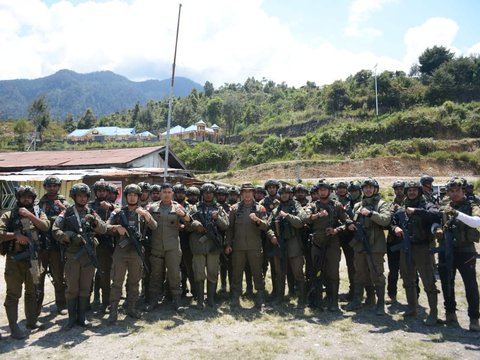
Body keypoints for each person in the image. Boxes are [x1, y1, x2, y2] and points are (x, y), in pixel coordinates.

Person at [52, 183, 107, 330]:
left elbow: (104, 229)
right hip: (73, 255)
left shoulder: (91, 211)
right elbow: (55, 230)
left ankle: (82, 318)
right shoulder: (67, 213)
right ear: (74, 197)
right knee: (72, 288)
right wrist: (68, 237)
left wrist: (94, 221)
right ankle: (71, 319)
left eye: (84, 196)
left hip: (88, 255)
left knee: (85, 287)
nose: (82, 199)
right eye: (79, 196)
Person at [0, 185, 50, 339]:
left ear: (33, 199)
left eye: (29, 197)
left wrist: (30, 215)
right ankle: (14, 327)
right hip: (15, 260)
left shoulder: (38, 213)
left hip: (34, 260)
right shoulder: (9, 215)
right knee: (13, 294)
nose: (26, 199)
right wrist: (15, 236)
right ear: (18, 198)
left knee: (33, 292)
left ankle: (32, 321)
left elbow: (45, 227)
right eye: (23, 196)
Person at [391, 180, 439, 326]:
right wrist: (395, 229)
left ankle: (433, 312)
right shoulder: (402, 207)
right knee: (407, 279)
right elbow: (393, 221)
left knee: (428, 280)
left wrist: (417, 211)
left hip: (422, 248)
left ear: (419, 191)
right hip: (406, 247)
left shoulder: (427, 204)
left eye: (414, 190)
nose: (412, 192)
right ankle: (412, 307)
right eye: (409, 190)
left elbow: (436, 216)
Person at [106, 184, 157, 323]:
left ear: (139, 197)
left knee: (134, 281)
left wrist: (146, 215)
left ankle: (131, 308)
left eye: (135, 195)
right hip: (120, 252)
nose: (132, 197)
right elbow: (106, 226)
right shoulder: (118, 212)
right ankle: (114, 311)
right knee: (117, 281)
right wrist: (116, 228)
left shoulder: (144, 212)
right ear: (126, 196)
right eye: (129, 195)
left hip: (136, 252)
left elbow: (154, 226)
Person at [435, 177, 480, 332]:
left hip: (465, 250)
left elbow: (476, 222)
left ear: (463, 190)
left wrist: (456, 213)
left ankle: (474, 318)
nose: (454, 194)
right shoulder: (444, 204)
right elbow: (436, 221)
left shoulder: (472, 204)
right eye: (451, 191)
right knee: (447, 282)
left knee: (470, 285)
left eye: (457, 190)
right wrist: (436, 229)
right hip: (446, 249)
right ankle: (450, 313)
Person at [346, 178, 392, 315]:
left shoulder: (382, 204)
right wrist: (349, 224)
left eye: (371, 187)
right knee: (359, 273)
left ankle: (380, 304)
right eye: (365, 187)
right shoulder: (357, 206)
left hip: (375, 246)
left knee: (377, 274)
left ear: (376, 189)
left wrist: (371, 214)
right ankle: (358, 300)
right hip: (359, 245)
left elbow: (385, 221)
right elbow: (353, 220)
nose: (368, 189)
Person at [305, 180, 350, 311]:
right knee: (317, 273)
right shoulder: (312, 206)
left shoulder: (337, 205)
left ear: (330, 191)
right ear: (317, 192)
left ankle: (333, 302)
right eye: (320, 190)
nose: (323, 192)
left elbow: (346, 221)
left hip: (332, 243)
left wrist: (337, 230)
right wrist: (317, 215)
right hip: (317, 243)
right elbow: (304, 218)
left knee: (333, 273)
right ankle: (318, 301)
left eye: (325, 190)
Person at [146, 183, 191, 312]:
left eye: (169, 192)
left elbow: (189, 221)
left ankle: (177, 302)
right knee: (155, 275)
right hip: (157, 246)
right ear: (160, 193)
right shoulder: (152, 207)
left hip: (172, 247)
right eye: (164, 192)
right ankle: (153, 301)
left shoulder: (178, 207)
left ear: (172, 193)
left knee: (174, 274)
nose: (166, 194)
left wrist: (183, 215)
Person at [226, 183, 268, 309]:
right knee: (237, 273)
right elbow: (230, 229)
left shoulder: (260, 208)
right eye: (245, 192)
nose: (247, 194)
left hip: (254, 247)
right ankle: (235, 296)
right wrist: (228, 244)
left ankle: (260, 296)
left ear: (253, 193)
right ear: (241, 193)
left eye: (250, 191)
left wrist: (258, 220)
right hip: (238, 247)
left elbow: (266, 226)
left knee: (257, 272)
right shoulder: (234, 209)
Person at [187, 183, 229, 308]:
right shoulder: (194, 208)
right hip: (198, 246)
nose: (208, 195)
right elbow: (186, 226)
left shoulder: (219, 208)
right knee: (199, 273)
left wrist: (217, 219)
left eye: (211, 193)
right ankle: (200, 300)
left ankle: (210, 299)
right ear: (202, 194)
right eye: (206, 193)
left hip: (213, 247)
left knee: (213, 273)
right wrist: (195, 225)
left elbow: (226, 225)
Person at [266, 185, 308, 307]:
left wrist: (287, 216)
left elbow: (300, 222)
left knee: (298, 273)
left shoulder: (297, 207)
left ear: (290, 194)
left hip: (294, 243)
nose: (284, 195)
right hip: (279, 244)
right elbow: (269, 227)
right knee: (280, 273)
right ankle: (280, 297)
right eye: (282, 193)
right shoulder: (275, 210)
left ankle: (302, 299)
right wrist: (272, 236)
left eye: (287, 193)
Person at [37, 176, 69, 315]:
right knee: (38, 277)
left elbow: (73, 220)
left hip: (58, 246)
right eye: (49, 186)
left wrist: (64, 209)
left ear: (58, 187)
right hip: (42, 245)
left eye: (54, 185)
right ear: (45, 187)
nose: (52, 188)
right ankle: (36, 307)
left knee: (59, 277)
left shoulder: (64, 203)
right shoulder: (39, 203)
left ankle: (61, 304)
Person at [89, 179, 116, 313]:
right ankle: (92, 300)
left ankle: (106, 302)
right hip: (90, 242)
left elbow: (121, 210)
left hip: (106, 243)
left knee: (104, 274)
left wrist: (110, 207)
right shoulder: (89, 206)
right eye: (99, 190)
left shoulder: (113, 206)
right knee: (89, 274)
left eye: (104, 190)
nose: (101, 193)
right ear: (95, 192)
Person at [173, 182, 195, 299]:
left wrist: (184, 227)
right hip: (173, 241)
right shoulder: (170, 205)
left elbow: (194, 223)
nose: (179, 195)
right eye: (177, 193)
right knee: (175, 268)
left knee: (190, 267)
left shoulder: (191, 207)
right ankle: (178, 291)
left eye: (181, 193)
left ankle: (195, 291)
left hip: (188, 241)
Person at [385, 180, 405, 304]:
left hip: (408, 242)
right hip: (393, 242)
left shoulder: (410, 203)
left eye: (401, 188)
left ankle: (415, 296)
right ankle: (392, 295)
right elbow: (386, 221)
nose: (398, 190)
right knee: (393, 271)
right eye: (396, 188)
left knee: (410, 271)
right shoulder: (389, 205)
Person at [216, 185, 233, 295]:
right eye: (219, 195)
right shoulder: (214, 206)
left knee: (230, 265)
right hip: (216, 239)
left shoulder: (231, 208)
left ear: (226, 196)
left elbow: (231, 227)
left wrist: (229, 243)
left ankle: (232, 287)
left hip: (228, 239)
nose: (221, 197)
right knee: (220, 265)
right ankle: (223, 285)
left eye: (223, 195)